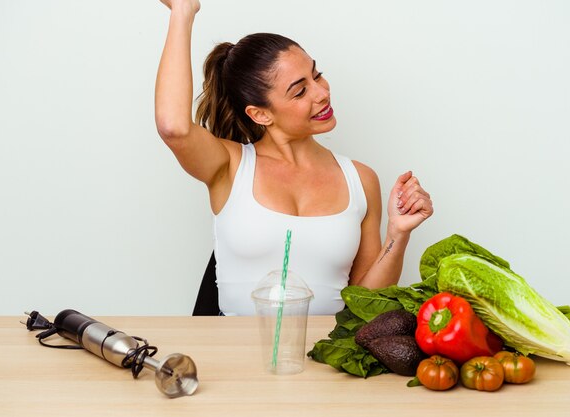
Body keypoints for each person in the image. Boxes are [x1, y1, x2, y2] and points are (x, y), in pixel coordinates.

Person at [155, 0, 434, 316]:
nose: (321, 93)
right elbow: (174, 127)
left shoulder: (361, 179)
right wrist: (183, 11)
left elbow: (365, 306)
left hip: (323, 360)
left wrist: (397, 235)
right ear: (260, 114)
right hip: (233, 357)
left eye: (318, 75)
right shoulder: (229, 166)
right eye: (300, 91)